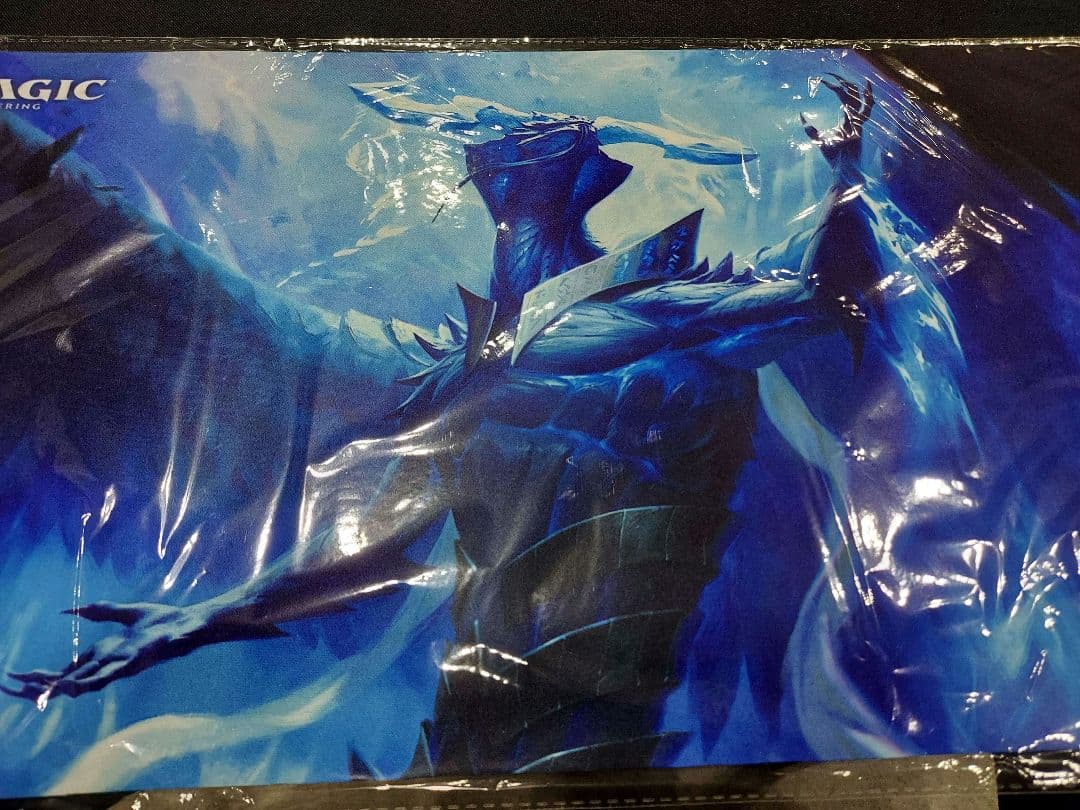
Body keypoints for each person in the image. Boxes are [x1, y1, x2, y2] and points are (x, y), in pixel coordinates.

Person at [7, 76, 878, 776]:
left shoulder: (648, 314)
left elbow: (817, 294)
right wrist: (195, 622)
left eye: (511, 174)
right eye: (494, 177)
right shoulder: (476, 366)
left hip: (591, 714)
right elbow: (363, 546)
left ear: (557, 190)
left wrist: (846, 178)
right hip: (502, 719)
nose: (492, 186)